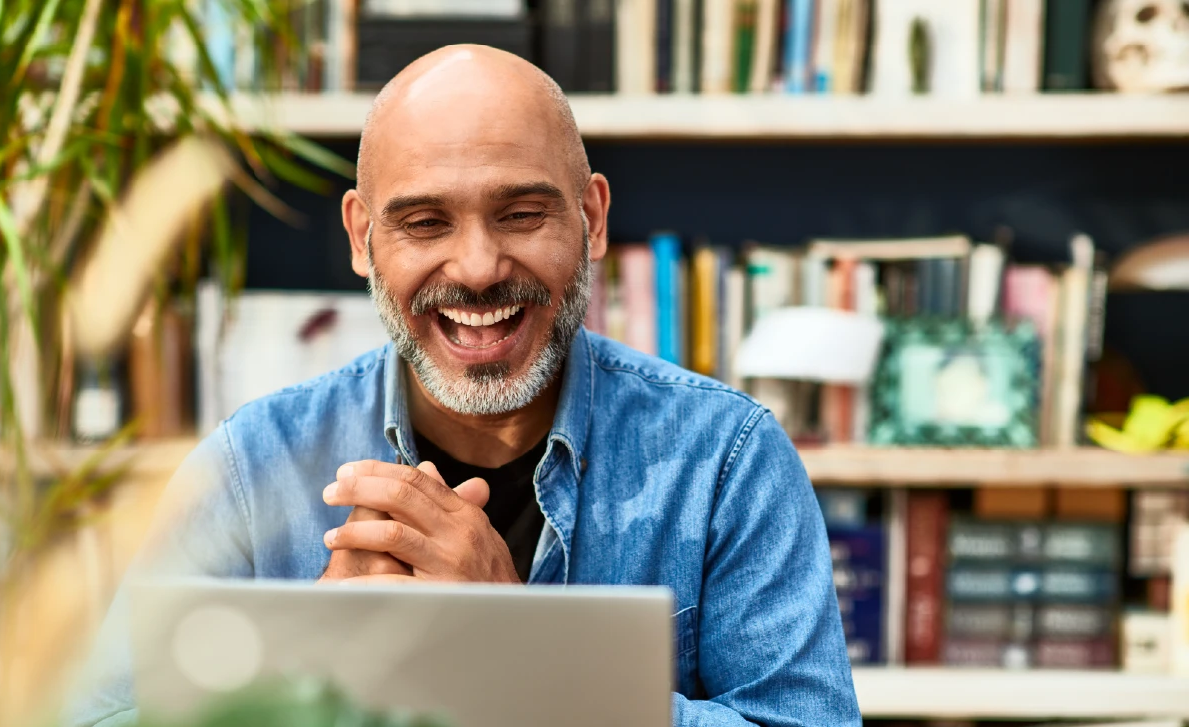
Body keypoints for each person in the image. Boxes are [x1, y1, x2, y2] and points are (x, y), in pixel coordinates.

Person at [70, 44, 860, 726]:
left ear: (592, 218)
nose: (479, 268)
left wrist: (519, 645)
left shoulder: (727, 460)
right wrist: (302, 665)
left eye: (520, 214)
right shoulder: (251, 465)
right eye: (425, 223)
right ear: (361, 236)